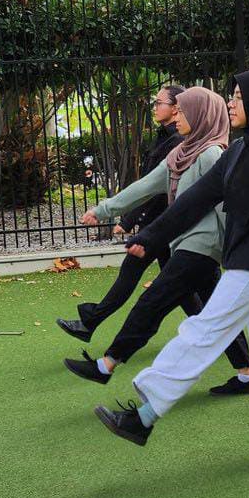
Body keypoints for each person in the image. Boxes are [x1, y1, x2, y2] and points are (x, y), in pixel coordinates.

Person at [94, 68, 249, 460]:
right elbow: (194, 201)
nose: (231, 102)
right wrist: (149, 237)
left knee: (204, 330)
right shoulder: (241, 151)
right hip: (246, 261)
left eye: (240, 97)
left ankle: (144, 415)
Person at [62, 88, 249, 396]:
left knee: (151, 303)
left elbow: (228, 206)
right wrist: (103, 210)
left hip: (202, 246)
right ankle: (247, 375)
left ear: (200, 115)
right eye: (176, 110)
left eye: (182, 111)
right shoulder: (179, 154)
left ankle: (107, 364)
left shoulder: (212, 155)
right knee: (214, 312)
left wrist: (230, 248)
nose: (176, 116)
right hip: (184, 245)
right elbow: (144, 187)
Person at [57, 84, 185, 342]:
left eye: (160, 103)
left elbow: (152, 188)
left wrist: (127, 219)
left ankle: (222, 334)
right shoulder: (166, 137)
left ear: (175, 108)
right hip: (157, 224)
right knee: (182, 287)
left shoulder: (177, 141)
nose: (155, 107)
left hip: (162, 226)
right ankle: (90, 322)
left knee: (183, 288)